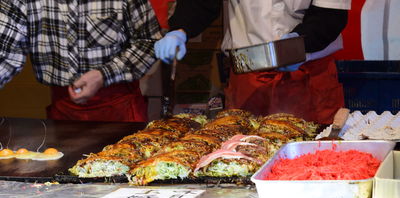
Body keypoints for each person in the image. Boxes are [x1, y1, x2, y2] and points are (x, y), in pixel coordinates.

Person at [155, 1, 350, 124]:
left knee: (315, 152)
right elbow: (201, 4)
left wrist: (297, 44)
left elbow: (331, 15)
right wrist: (180, 30)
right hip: (248, 74)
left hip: (309, 71)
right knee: (243, 151)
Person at [0, 0, 162, 122]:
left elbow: (149, 42)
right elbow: (4, 52)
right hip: (63, 111)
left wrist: (104, 75)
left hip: (121, 108)